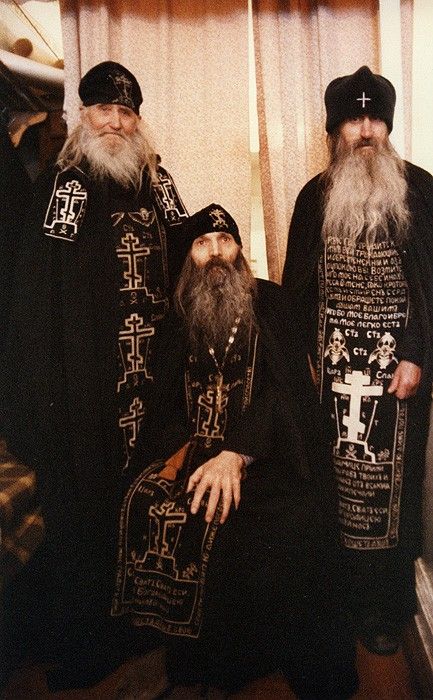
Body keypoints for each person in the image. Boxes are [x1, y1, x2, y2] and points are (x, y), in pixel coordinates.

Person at [112, 204, 358, 698]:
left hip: (268, 454)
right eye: (203, 243)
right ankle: (191, 662)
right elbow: (166, 405)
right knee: (148, 504)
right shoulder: (177, 317)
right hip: (195, 453)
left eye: (225, 241)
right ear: (190, 256)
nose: (216, 252)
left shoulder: (272, 303)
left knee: (282, 522)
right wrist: (185, 454)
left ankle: (248, 660)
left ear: (239, 250)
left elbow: (286, 393)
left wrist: (237, 453)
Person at [1, 61, 188, 690]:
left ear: (138, 121)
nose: (114, 123)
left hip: (150, 384)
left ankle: (147, 628)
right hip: (85, 389)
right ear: (84, 116)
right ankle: (91, 643)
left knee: (146, 503)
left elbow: (191, 244)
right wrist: (39, 393)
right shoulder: (67, 186)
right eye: (103, 110)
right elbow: (36, 293)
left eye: (125, 112)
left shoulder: (158, 181)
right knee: (86, 514)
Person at [282, 65, 433, 656]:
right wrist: (302, 360)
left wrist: (418, 355)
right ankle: (341, 604)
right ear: (335, 130)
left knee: (390, 495)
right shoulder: (313, 198)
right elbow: (297, 290)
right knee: (337, 489)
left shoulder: (422, 191)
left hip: (399, 375)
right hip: (331, 372)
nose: (365, 131)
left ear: (388, 127)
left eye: (375, 119)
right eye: (353, 120)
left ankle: (386, 607)